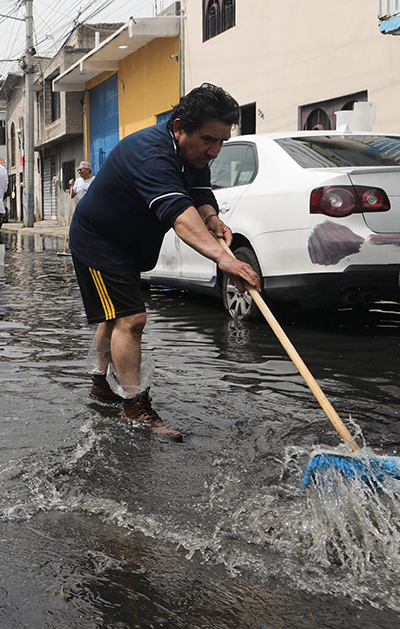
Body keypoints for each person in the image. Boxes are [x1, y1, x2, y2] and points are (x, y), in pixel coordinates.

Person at [68, 83, 260, 440]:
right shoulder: (151, 153)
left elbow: (198, 194)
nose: (214, 151)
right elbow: (178, 213)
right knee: (131, 318)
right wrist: (224, 259)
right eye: (208, 140)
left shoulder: (194, 153)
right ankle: (134, 407)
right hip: (98, 241)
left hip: (128, 244)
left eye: (221, 141)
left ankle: (100, 382)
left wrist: (212, 217)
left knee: (113, 315)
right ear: (178, 127)